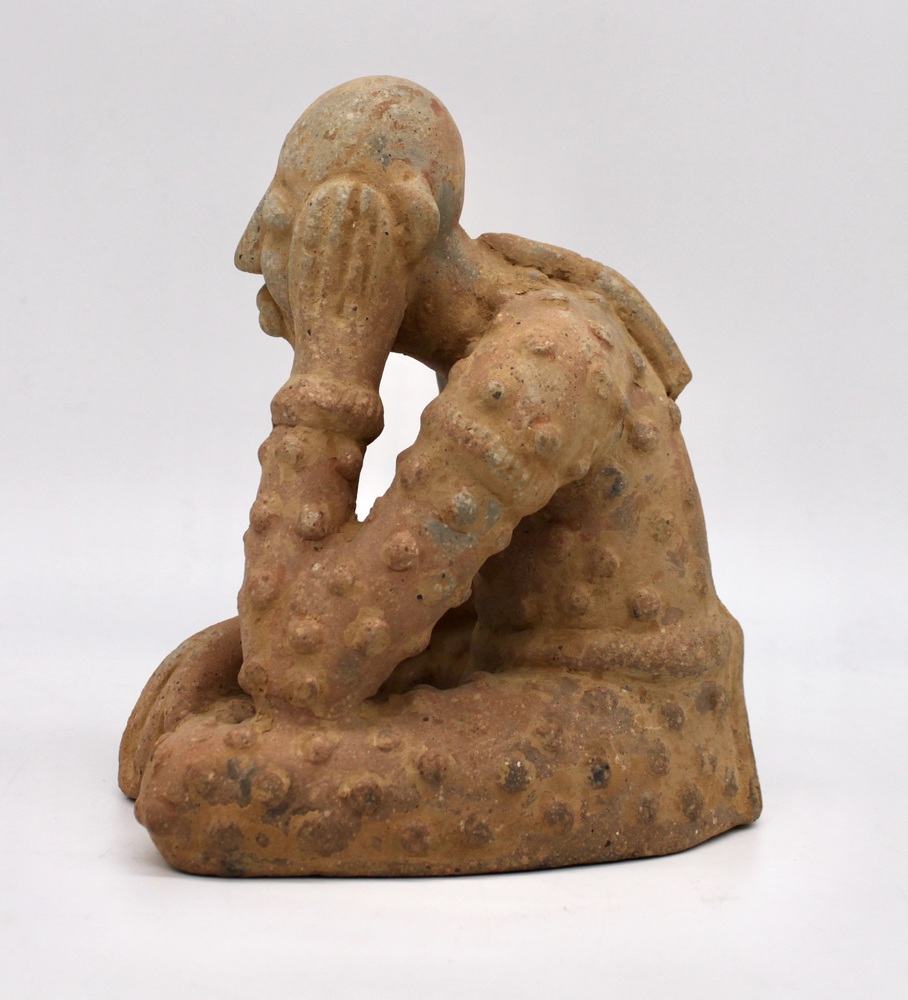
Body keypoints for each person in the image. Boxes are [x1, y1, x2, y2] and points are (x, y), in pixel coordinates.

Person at [119, 77, 760, 876]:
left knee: (194, 785)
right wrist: (236, 653)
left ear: (391, 233)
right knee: (211, 719)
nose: (251, 249)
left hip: (645, 727)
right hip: (518, 659)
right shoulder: (512, 314)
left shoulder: (547, 361)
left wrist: (331, 367)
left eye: (287, 220)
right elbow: (420, 610)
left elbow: (298, 672)